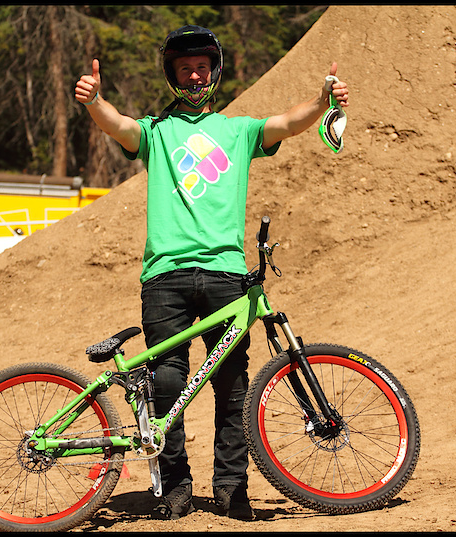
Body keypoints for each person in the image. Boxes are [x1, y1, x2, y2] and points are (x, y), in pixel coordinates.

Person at [75, 25, 349, 521]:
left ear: (215, 71)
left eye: (201, 66)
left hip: (226, 274)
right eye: (184, 68)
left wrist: (322, 98)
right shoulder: (157, 133)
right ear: (172, 76)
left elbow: (290, 123)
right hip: (164, 276)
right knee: (166, 382)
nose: (194, 75)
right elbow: (118, 126)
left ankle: (231, 487)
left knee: (233, 384)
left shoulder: (238, 130)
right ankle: (175, 489)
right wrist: (94, 101)